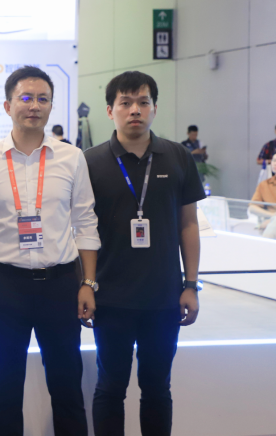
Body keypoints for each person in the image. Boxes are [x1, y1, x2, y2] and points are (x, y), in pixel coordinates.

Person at [0, 66, 100, 436]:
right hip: (6, 286)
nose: (34, 106)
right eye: (25, 98)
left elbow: (86, 222)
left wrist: (88, 282)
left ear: (51, 106)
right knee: (5, 388)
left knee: (67, 386)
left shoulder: (71, 157)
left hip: (61, 284)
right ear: (7, 105)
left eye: (43, 99)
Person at [84, 71, 205, 436]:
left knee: (157, 389)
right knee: (110, 388)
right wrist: (86, 285)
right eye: (125, 103)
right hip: (111, 298)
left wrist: (191, 285)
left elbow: (188, 225)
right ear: (110, 110)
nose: (134, 110)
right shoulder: (89, 162)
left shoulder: (177, 156)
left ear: (154, 107)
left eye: (143, 102)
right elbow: (82, 231)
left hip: (163, 299)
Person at [250, 157, 276, 239]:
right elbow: (252, 208)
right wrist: (272, 217)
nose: (275, 163)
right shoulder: (264, 184)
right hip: (271, 221)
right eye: (274, 160)